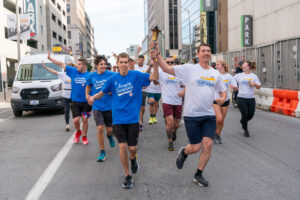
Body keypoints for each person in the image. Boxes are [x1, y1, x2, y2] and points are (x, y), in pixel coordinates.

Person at [151, 41, 226, 187]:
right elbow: (166, 68)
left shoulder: (215, 73)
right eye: (203, 51)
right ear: (198, 54)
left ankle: (199, 174)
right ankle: (184, 153)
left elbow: (222, 91)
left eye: (208, 51)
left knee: (208, 144)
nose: (206, 53)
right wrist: (158, 54)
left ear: (210, 54)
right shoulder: (189, 69)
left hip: (209, 114)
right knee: (196, 147)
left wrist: (222, 98)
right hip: (192, 115)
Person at [88, 53, 158, 189]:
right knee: (123, 147)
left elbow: (154, 78)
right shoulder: (112, 79)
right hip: (118, 119)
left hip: (132, 119)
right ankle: (127, 175)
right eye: (121, 62)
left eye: (126, 62)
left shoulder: (136, 76)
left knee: (132, 148)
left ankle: (133, 158)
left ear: (129, 63)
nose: (124, 64)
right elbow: (102, 92)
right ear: (118, 64)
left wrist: (155, 63)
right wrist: (92, 98)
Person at [48, 52, 91, 145]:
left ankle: (84, 136)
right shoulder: (73, 71)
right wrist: (50, 59)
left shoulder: (89, 75)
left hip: (86, 103)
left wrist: (92, 98)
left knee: (85, 120)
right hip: (75, 101)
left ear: (84, 66)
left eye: (79, 64)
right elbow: (61, 64)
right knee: (76, 120)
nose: (77, 66)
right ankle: (78, 131)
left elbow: (93, 88)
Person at [86, 55, 116, 162]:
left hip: (109, 105)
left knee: (109, 129)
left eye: (105, 64)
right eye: (101, 64)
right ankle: (102, 151)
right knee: (99, 128)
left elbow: (118, 82)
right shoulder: (92, 76)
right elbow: (88, 86)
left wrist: (113, 91)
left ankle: (109, 135)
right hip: (97, 105)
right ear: (97, 65)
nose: (103, 66)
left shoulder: (111, 74)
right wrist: (87, 95)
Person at [153, 57, 185, 151]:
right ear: (164, 63)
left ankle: (174, 131)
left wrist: (183, 92)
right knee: (170, 121)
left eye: (172, 62)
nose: (170, 63)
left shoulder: (179, 74)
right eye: (168, 62)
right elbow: (155, 82)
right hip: (167, 101)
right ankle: (170, 141)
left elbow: (186, 85)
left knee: (176, 124)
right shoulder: (161, 73)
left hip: (178, 102)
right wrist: (155, 66)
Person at [41, 61, 73, 131]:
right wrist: (45, 67)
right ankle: (67, 125)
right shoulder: (63, 74)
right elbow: (53, 71)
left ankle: (77, 123)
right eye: (67, 67)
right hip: (65, 95)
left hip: (73, 94)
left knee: (74, 110)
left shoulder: (74, 74)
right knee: (67, 110)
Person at [213, 60, 238, 144]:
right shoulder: (214, 75)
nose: (216, 66)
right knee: (218, 118)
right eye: (216, 65)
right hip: (216, 99)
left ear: (223, 66)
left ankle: (217, 135)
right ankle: (213, 132)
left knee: (222, 120)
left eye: (218, 65)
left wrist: (232, 86)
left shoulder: (229, 76)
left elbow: (236, 88)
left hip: (226, 100)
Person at [234, 61, 261, 137]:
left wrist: (254, 84)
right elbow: (231, 80)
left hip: (251, 98)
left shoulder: (254, 76)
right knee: (245, 114)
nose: (243, 67)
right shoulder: (239, 75)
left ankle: (242, 121)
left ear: (249, 67)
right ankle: (245, 129)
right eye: (243, 66)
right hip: (241, 98)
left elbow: (259, 86)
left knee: (251, 115)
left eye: (245, 66)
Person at [134, 55, 151, 131]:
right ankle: (138, 121)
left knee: (142, 107)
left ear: (143, 60)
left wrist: (145, 85)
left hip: (143, 90)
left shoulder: (146, 67)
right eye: (139, 60)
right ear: (137, 60)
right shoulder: (134, 67)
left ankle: (140, 119)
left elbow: (149, 77)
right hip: (135, 90)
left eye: (142, 60)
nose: (140, 61)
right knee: (136, 106)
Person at [145, 60, 161, 125]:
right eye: (151, 63)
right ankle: (151, 117)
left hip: (158, 90)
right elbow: (146, 74)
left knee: (156, 104)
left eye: (154, 63)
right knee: (151, 103)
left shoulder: (160, 69)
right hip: (150, 89)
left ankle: (154, 116)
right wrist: (150, 66)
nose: (153, 64)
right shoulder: (149, 69)